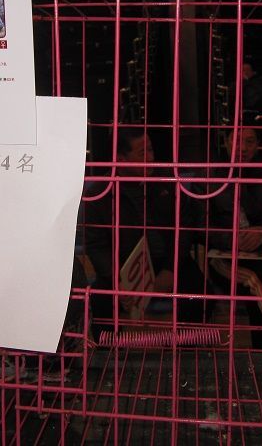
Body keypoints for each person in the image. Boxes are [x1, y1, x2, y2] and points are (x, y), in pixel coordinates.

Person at [83, 128, 207, 333]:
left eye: (150, 149)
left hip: (168, 260)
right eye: (142, 153)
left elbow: (185, 227)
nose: (150, 158)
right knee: (100, 300)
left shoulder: (167, 180)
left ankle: (185, 347)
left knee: (198, 292)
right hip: (124, 267)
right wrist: (119, 282)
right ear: (121, 160)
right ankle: (109, 350)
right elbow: (96, 246)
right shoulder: (99, 194)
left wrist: (170, 269)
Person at [208, 126, 262, 348]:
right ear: (226, 142)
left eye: (249, 142)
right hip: (224, 258)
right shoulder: (211, 173)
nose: (243, 148)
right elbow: (200, 225)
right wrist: (232, 239)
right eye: (237, 141)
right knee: (260, 285)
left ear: (257, 146)